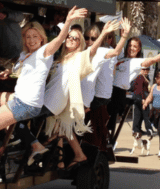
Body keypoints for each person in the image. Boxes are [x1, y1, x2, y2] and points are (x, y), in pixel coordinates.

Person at [0, 6, 88, 186]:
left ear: (42, 38)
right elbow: (22, 72)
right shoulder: (25, 55)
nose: (31, 40)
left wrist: (68, 21)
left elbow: (60, 39)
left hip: (25, 103)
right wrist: (9, 72)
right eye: (28, 37)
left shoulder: (44, 52)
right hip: (20, 98)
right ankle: (14, 132)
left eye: (34, 37)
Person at [43, 19, 120, 170]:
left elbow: (97, 51)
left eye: (76, 38)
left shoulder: (81, 57)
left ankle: (44, 146)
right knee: (60, 127)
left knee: (59, 126)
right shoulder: (60, 58)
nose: (71, 40)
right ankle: (62, 159)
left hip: (69, 100)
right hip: (59, 98)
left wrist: (105, 33)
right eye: (69, 37)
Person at [107, 38, 160, 141]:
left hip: (118, 93)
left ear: (139, 49)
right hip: (108, 89)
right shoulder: (121, 57)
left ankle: (107, 143)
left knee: (108, 122)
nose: (132, 48)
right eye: (130, 45)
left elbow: (154, 59)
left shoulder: (138, 61)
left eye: (135, 46)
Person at [81, 19, 130, 151]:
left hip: (97, 97)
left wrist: (125, 35)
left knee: (91, 130)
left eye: (93, 38)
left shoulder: (103, 51)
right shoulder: (83, 51)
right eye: (86, 38)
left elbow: (115, 53)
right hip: (88, 97)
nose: (89, 41)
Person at [130, 65, 154, 144]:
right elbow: (140, 89)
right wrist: (143, 99)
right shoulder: (140, 77)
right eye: (144, 69)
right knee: (145, 114)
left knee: (138, 114)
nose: (146, 71)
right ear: (141, 70)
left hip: (139, 98)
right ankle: (149, 129)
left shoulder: (145, 77)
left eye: (147, 69)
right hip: (140, 97)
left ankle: (137, 130)